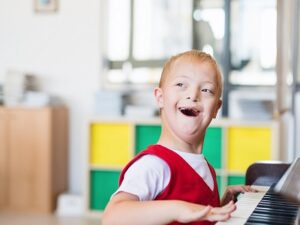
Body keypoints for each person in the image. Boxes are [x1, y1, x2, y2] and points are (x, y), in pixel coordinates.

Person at [102, 50, 256, 225]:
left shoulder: (205, 167)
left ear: (216, 108)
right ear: (160, 98)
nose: (193, 95)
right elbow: (112, 218)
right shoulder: (154, 165)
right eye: (181, 84)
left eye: (206, 90)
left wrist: (220, 206)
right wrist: (178, 209)